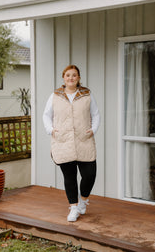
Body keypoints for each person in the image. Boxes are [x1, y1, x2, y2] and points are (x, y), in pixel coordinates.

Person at [43, 65, 100, 222]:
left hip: (84, 140)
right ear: (63, 78)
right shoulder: (55, 95)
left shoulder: (87, 94)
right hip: (63, 142)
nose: (71, 78)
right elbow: (46, 115)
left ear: (78, 78)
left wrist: (93, 129)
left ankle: (83, 200)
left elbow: (95, 114)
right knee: (69, 177)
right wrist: (51, 130)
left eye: (74, 75)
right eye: (68, 75)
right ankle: (74, 208)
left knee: (90, 174)